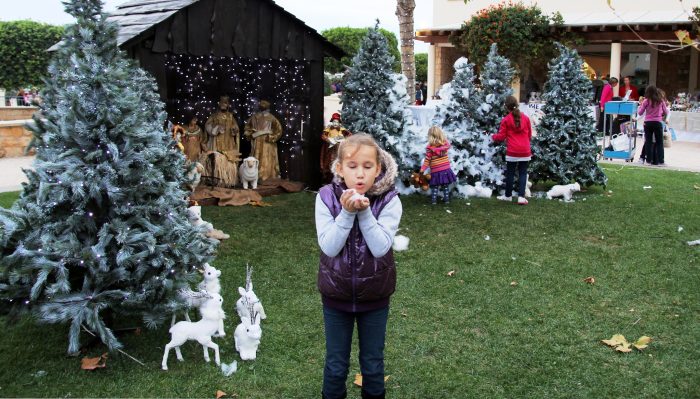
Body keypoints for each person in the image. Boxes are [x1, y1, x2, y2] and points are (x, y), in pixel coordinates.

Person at [315, 133, 402, 399]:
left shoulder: (390, 200)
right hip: (336, 296)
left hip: (375, 297)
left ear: (378, 168)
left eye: (367, 166)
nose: (360, 174)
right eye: (352, 167)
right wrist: (346, 212)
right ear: (340, 168)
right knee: (336, 365)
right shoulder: (326, 197)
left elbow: (380, 247)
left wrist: (364, 212)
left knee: (373, 365)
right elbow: (329, 246)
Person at [492, 96, 532, 205]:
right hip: (525, 150)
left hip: (512, 151)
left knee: (510, 173)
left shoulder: (506, 120)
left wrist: (492, 136)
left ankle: (508, 196)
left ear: (506, 107)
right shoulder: (526, 118)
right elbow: (529, 135)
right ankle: (521, 197)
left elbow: (501, 136)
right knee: (523, 173)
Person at [244, 100, 283, 181]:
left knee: (267, 158)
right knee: (256, 157)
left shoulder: (272, 118)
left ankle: (268, 176)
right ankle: (254, 176)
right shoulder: (254, 117)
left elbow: (278, 130)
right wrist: (251, 133)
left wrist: (272, 137)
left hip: (267, 142)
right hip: (257, 141)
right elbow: (247, 128)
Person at [419, 126, 457, 205]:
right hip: (446, 169)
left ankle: (434, 201)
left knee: (435, 186)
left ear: (430, 137)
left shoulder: (430, 148)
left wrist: (422, 169)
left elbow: (427, 160)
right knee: (445, 185)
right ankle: (446, 200)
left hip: (436, 170)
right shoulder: (445, 146)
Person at [637, 85, 669, 166]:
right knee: (659, 143)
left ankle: (648, 161)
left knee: (648, 142)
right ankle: (661, 161)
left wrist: (641, 106)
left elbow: (640, 112)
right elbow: (666, 111)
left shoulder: (646, 101)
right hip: (658, 122)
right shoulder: (660, 101)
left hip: (648, 123)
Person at [320, 113, 352, 183]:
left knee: (338, 159)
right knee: (329, 162)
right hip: (330, 148)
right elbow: (323, 136)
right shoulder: (329, 128)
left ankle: (338, 176)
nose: (335, 123)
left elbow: (349, 134)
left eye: (337, 122)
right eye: (334, 121)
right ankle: (328, 177)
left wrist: (343, 139)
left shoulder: (341, 129)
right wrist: (328, 140)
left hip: (338, 147)